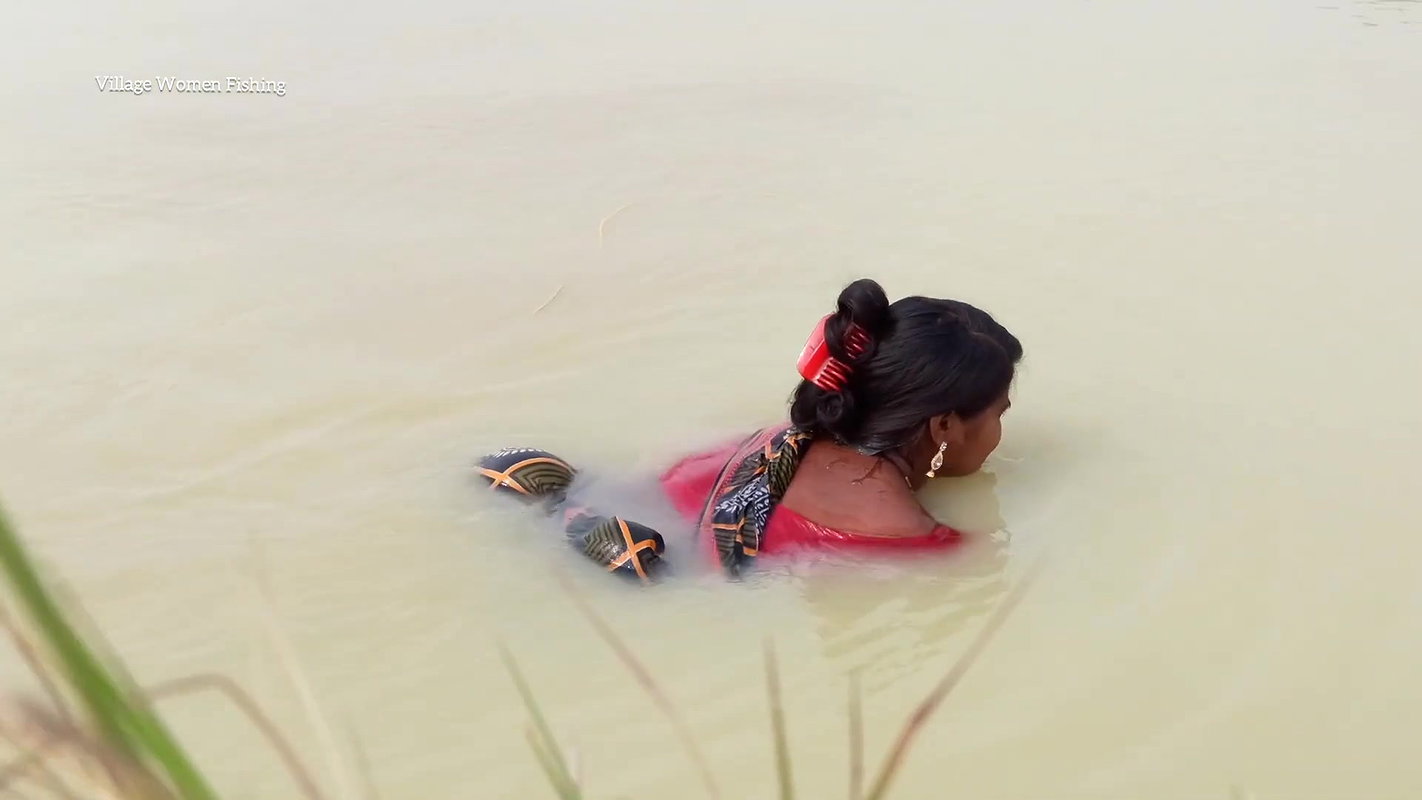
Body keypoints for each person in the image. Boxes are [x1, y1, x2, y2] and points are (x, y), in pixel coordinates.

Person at [476, 278, 1022, 582]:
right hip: (674, 582)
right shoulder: (904, 531)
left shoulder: (783, 435)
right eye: (999, 412)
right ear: (945, 425)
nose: (1000, 429)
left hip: (647, 501)